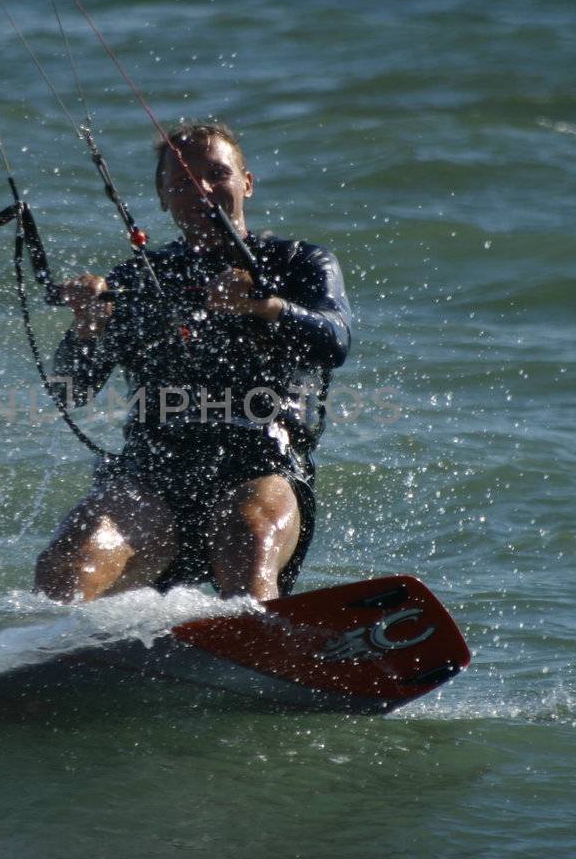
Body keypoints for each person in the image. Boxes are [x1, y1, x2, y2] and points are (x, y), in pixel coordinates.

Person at [34, 122, 352, 603]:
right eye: (182, 182)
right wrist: (88, 327)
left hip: (263, 464)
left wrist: (263, 307)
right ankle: (54, 660)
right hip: (152, 474)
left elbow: (336, 341)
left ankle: (256, 652)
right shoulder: (138, 279)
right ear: (163, 197)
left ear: (246, 182)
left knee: (248, 551)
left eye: (217, 174)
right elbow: (69, 389)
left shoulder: (298, 263)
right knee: (65, 568)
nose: (201, 189)